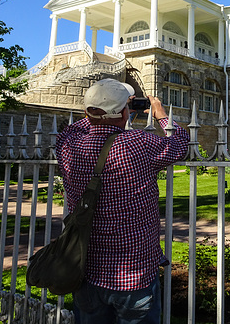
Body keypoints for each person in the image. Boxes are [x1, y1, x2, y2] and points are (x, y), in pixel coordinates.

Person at [56, 78, 189, 323]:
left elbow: (72, 128)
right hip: (133, 273)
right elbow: (180, 143)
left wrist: (100, 110)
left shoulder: (69, 145)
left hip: (86, 269)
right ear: (125, 112)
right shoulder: (138, 143)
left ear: (87, 112)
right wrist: (160, 114)